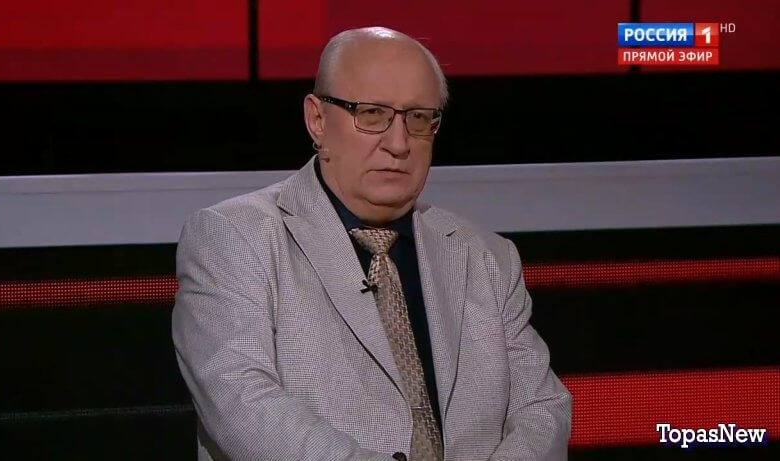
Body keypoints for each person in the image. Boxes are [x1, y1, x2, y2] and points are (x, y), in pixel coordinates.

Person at [172, 26, 571, 461]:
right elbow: (243, 405)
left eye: (418, 118)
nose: (398, 144)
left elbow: (542, 409)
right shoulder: (233, 237)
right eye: (372, 114)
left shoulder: (487, 257)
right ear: (317, 120)